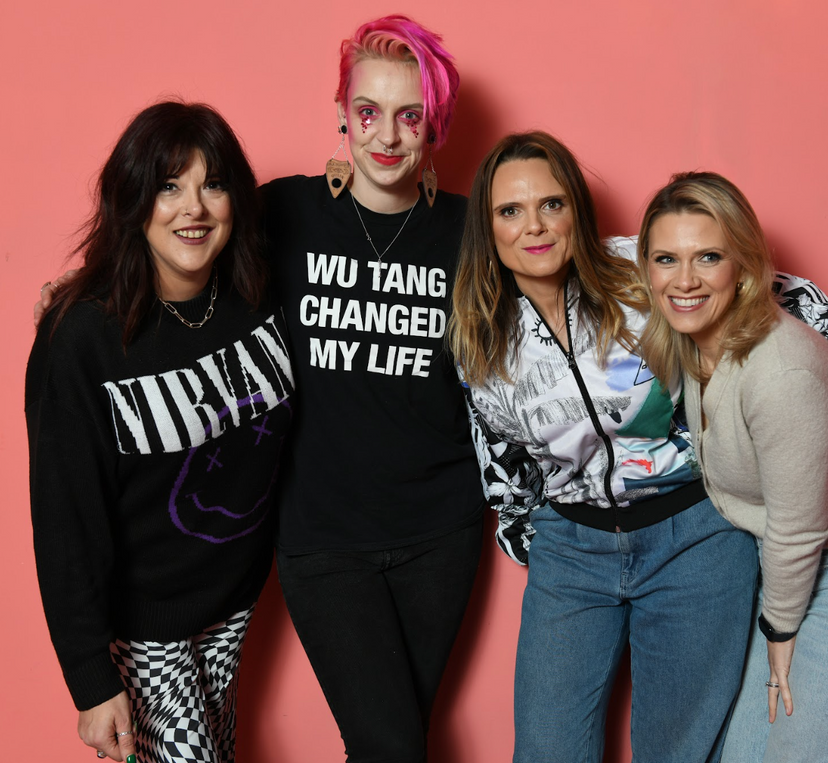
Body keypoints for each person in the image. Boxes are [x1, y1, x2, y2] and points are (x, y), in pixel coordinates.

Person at [448, 132, 828, 763]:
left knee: (676, 752)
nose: (534, 227)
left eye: (551, 204)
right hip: (572, 555)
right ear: (487, 229)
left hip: (693, 540)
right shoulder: (479, 335)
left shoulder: (639, 268)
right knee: (546, 750)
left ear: (576, 208)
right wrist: (533, 537)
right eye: (510, 211)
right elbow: (499, 458)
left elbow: (762, 287)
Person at [26, 102, 294, 763]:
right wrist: (91, 679)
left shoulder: (262, 294)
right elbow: (65, 518)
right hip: (144, 628)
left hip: (234, 606)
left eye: (213, 184)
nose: (193, 208)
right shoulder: (82, 339)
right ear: (133, 199)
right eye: (169, 186)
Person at [254, 16, 485, 762]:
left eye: (409, 115)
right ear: (342, 115)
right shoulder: (284, 212)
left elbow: (606, 272)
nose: (386, 136)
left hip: (439, 534)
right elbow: (177, 244)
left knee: (391, 746)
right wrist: (81, 289)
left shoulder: (471, 231)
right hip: (324, 539)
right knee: (390, 746)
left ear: (434, 126)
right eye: (368, 112)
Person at [637, 171, 828, 763]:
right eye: (667, 258)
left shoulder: (780, 368)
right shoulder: (694, 343)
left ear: (742, 266)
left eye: (708, 257)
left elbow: (798, 527)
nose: (684, 279)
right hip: (787, 570)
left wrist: (780, 631)